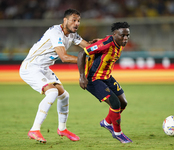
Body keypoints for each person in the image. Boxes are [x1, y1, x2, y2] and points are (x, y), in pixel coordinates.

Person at [19, 9, 93, 143]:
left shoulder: (72, 35)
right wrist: (85, 60)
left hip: (43, 68)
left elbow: (88, 46)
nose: (77, 24)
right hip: (31, 67)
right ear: (65, 20)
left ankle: (62, 129)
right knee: (52, 92)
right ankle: (34, 129)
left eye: (78, 21)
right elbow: (64, 57)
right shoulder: (55, 32)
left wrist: (104, 44)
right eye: (74, 20)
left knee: (64, 96)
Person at [77, 22, 133, 143]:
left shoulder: (118, 41)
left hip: (106, 77)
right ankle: (118, 133)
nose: (125, 38)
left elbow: (110, 37)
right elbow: (82, 53)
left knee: (123, 103)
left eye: (127, 35)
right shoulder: (106, 44)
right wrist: (82, 77)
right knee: (115, 103)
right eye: (122, 35)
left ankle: (107, 122)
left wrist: (102, 39)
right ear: (115, 34)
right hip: (93, 78)